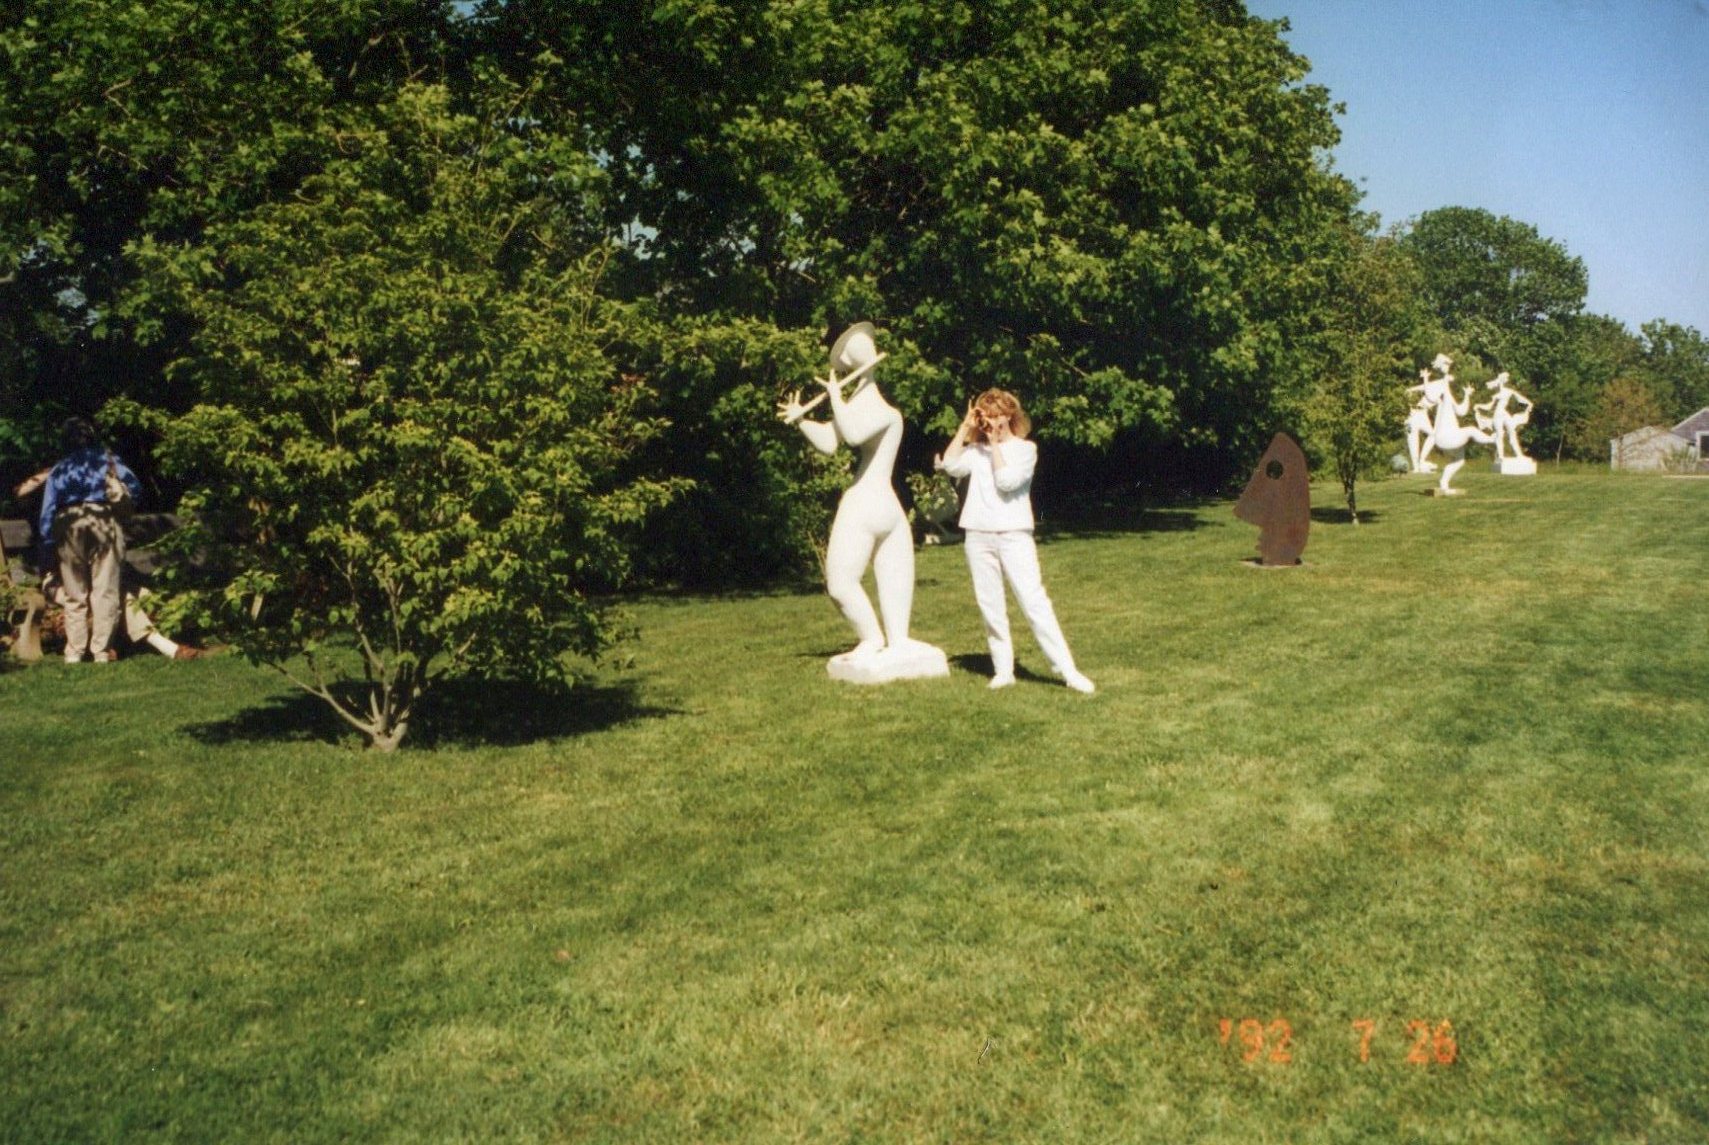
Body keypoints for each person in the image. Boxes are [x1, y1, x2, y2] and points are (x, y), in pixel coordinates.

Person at [935, 389, 1094, 693]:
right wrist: (965, 429)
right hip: (978, 534)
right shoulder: (975, 450)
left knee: (1034, 602)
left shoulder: (1025, 449)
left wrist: (995, 445)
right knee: (990, 604)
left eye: (996, 415)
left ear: (1009, 416)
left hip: (1013, 534)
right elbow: (951, 465)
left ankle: (1068, 671)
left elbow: (1006, 482)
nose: (992, 422)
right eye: (986, 416)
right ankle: (1003, 670)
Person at [35, 418, 142, 663]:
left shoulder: (60, 469)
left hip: (69, 522)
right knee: (105, 589)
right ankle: (101, 651)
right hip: (103, 519)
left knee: (74, 591)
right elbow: (135, 489)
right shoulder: (108, 461)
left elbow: (48, 509)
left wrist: (48, 542)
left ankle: (75, 652)